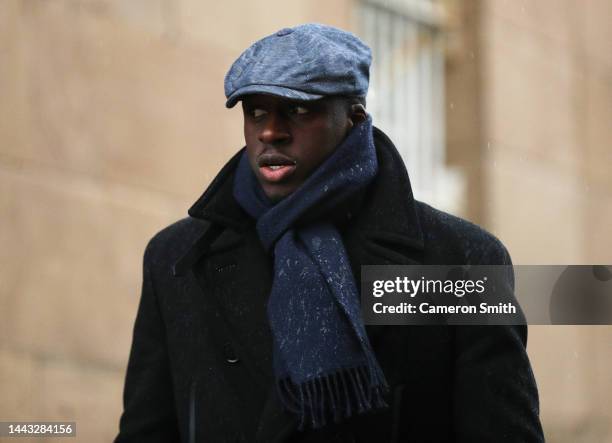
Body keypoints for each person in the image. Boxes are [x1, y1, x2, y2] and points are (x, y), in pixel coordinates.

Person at [115, 23, 544, 442]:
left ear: (354, 119)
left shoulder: (460, 260)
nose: (270, 132)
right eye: (256, 111)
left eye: (299, 110)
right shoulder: (177, 257)